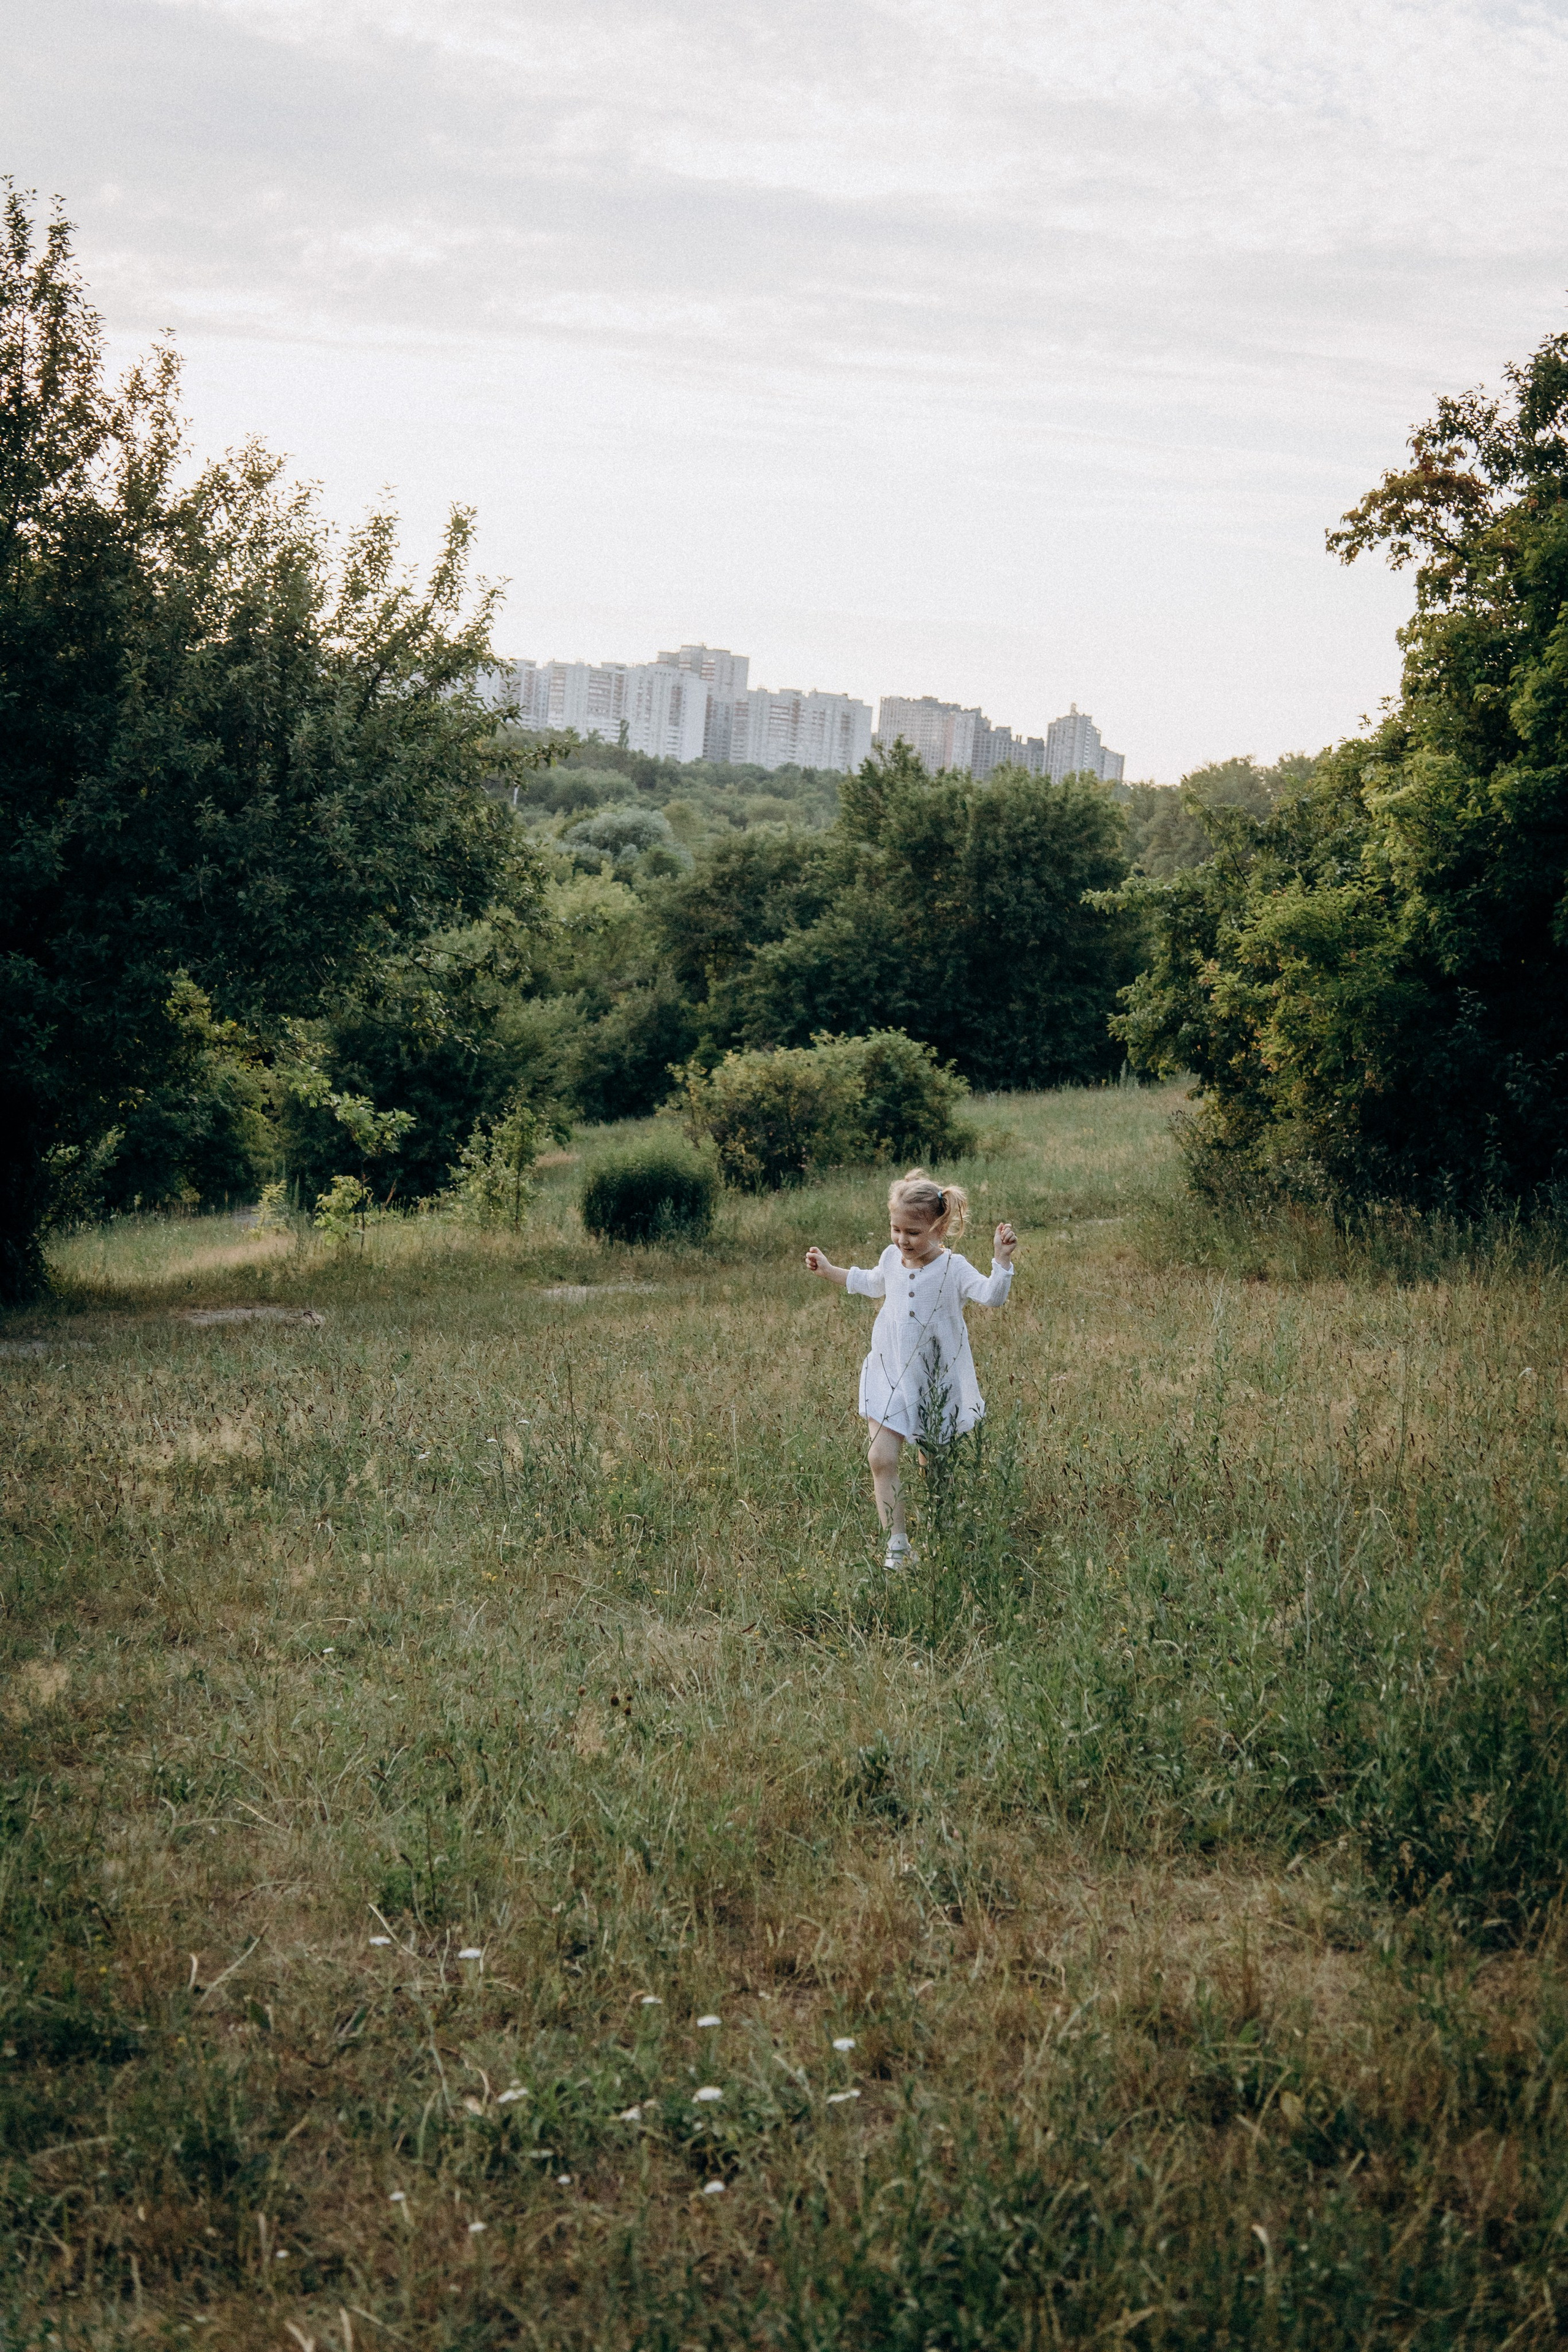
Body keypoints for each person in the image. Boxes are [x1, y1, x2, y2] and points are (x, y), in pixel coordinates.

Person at [805, 1169, 1017, 1570]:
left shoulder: (953, 1268)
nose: (903, 1241)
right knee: (880, 1458)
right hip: (888, 1372)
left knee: (934, 1466)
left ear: (940, 1228)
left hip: (935, 1383)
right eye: (896, 1229)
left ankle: (945, 1534)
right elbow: (870, 1282)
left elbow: (992, 1298)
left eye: (913, 1233)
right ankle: (898, 1547)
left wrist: (1001, 1261)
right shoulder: (891, 1258)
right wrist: (829, 1270)